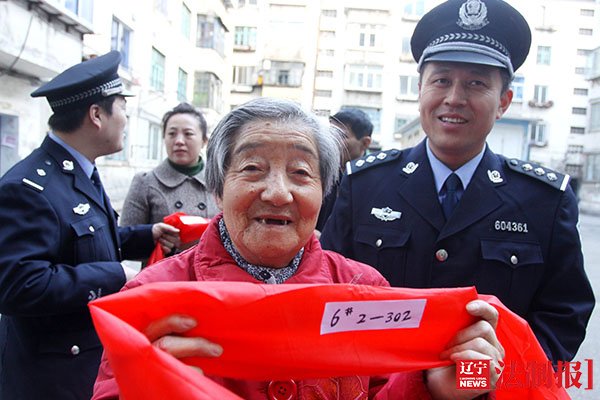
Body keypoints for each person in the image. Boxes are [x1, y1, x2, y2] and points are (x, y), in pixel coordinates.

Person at [92, 97, 503, 400]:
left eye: (301, 173)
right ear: (217, 189)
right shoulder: (152, 296)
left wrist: (440, 389)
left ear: (323, 193)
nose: (277, 193)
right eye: (252, 168)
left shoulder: (366, 289)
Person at [320, 0, 594, 364]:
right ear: (420, 89)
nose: (454, 98)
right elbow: (329, 294)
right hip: (380, 385)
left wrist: (486, 378)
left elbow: (563, 315)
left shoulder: (544, 201)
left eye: (476, 83)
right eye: (442, 80)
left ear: (504, 102)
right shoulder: (364, 185)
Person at [0, 51, 180, 400]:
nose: (126, 119)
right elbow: (17, 285)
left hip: (87, 364)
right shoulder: (29, 187)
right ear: (97, 115)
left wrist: (146, 236)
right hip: (50, 379)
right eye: (123, 108)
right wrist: (114, 276)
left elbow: (82, 240)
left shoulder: (79, 171)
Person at [120, 102, 219, 230]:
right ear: (164, 138)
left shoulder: (218, 182)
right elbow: (127, 236)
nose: (179, 141)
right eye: (172, 134)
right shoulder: (144, 182)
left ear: (204, 141)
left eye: (188, 134)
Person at [316, 108, 373, 232]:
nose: (332, 140)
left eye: (341, 136)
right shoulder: (320, 168)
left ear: (365, 143)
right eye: (330, 133)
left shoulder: (374, 179)